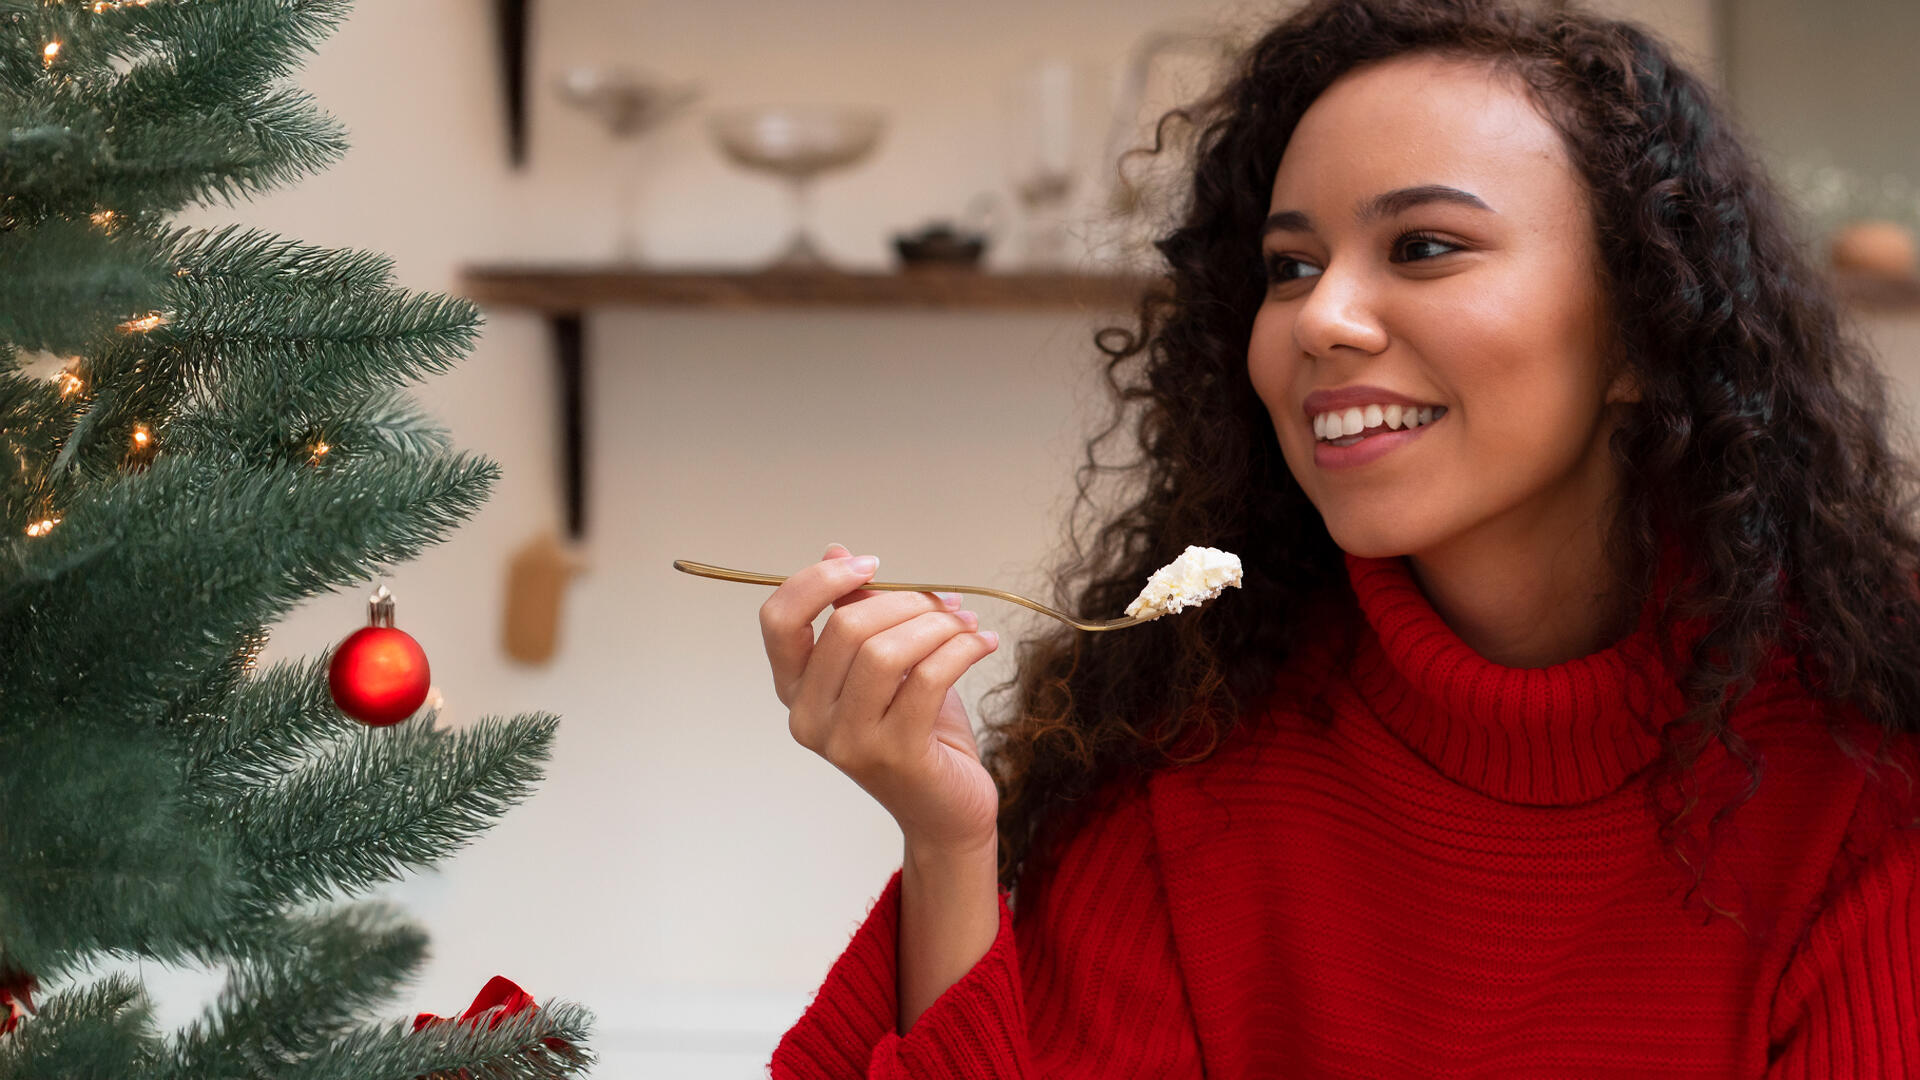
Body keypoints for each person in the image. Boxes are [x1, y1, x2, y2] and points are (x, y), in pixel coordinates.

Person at [757, 0, 1920, 1075]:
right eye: (1289, 267)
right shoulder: (1184, 749)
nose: (1320, 319)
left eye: (1422, 247)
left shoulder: (1867, 789)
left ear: (1641, 330)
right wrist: (952, 846)